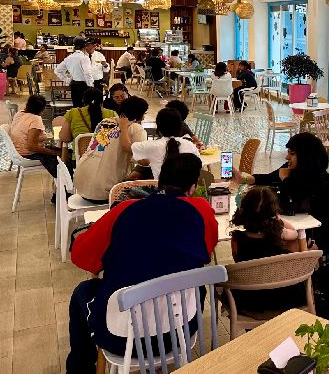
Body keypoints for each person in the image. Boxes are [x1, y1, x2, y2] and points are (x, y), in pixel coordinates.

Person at [67, 153, 217, 373]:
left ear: (159, 181)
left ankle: (79, 370)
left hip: (121, 338)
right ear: (192, 188)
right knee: (195, 282)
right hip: (181, 330)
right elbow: (207, 251)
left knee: (82, 291)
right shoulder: (201, 209)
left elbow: (81, 257)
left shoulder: (124, 211)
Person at [237, 132, 329, 261]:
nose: (287, 157)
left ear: (305, 157)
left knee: (276, 241)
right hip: (297, 225)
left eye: (292, 154)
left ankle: (293, 271)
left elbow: (297, 196)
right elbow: (269, 177)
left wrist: (285, 179)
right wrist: (244, 179)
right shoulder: (292, 169)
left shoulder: (320, 178)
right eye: (288, 152)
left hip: (318, 232)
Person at [228, 187, 311, 312]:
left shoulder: (236, 240)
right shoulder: (278, 237)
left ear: (243, 212)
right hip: (287, 302)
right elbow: (294, 233)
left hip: (250, 304)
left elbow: (238, 262)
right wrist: (278, 219)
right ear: (273, 215)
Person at [74, 96, 149, 204]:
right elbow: (143, 161)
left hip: (81, 185)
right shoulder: (136, 129)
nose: (144, 117)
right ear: (139, 115)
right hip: (106, 192)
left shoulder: (105, 122)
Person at [131, 107, 200, 179]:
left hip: (160, 186)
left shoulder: (151, 146)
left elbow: (128, 148)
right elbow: (198, 165)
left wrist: (124, 126)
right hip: (186, 185)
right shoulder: (190, 145)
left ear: (158, 128)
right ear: (180, 126)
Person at [8, 94, 61, 180]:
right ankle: (65, 183)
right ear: (42, 109)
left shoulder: (19, 114)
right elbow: (32, 146)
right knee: (63, 157)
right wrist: (53, 153)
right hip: (27, 154)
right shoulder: (35, 119)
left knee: (60, 151)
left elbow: (25, 134)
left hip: (17, 152)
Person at [55, 37, 95, 108]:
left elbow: (57, 70)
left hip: (73, 85)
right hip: (84, 86)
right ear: (84, 46)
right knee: (85, 108)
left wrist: (67, 80)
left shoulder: (69, 57)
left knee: (76, 107)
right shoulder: (84, 57)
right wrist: (91, 85)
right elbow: (87, 72)